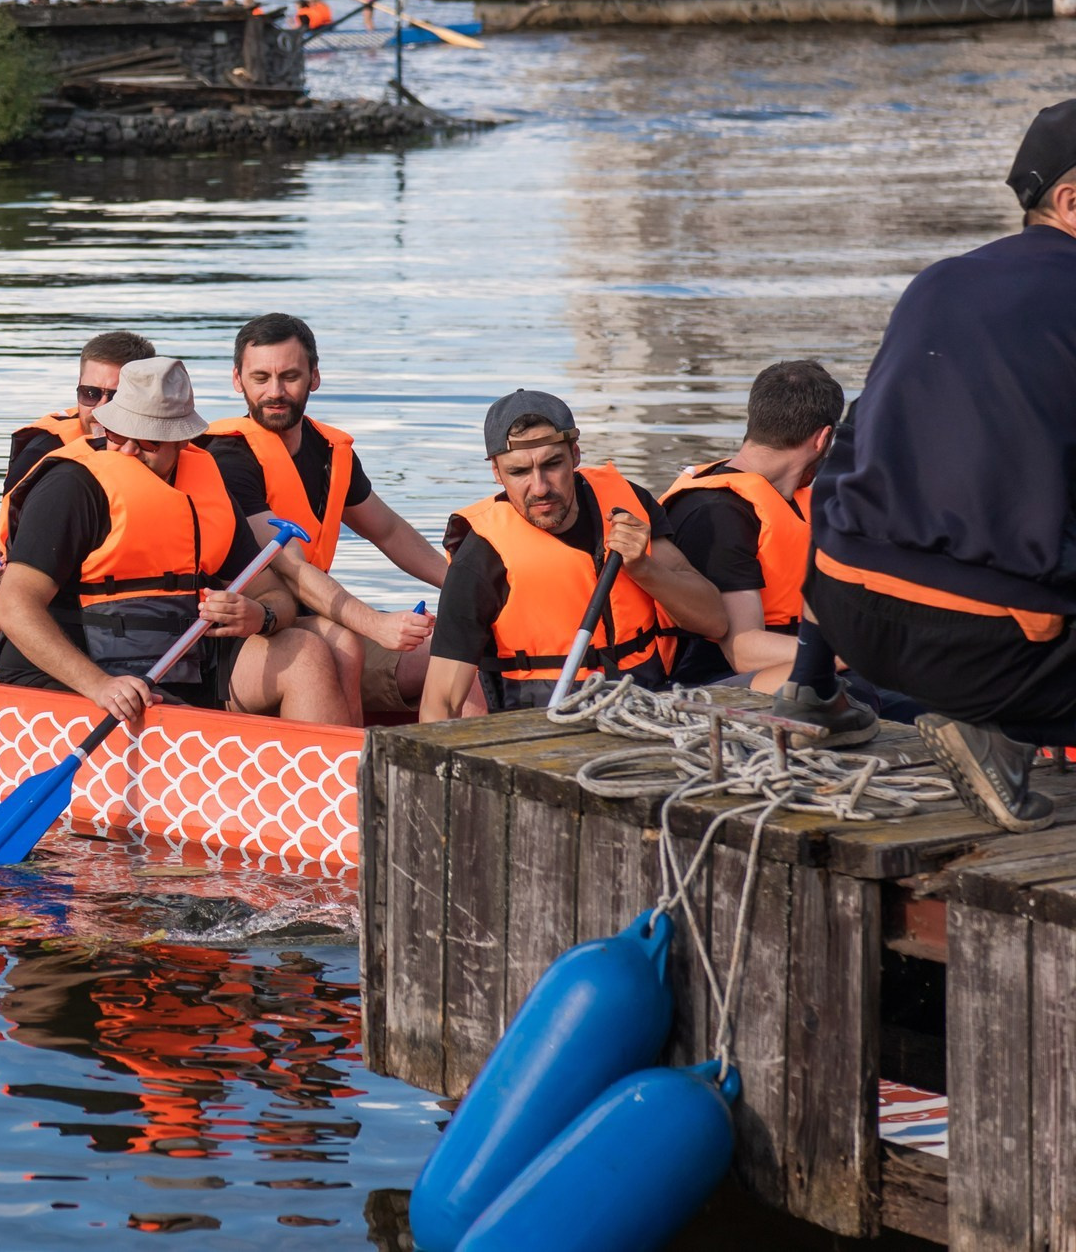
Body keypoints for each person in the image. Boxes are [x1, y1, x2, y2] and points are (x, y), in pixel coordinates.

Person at [803, 102, 1076, 829]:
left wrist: (814, 670)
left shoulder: (938, 282)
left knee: (858, 448)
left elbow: (850, 449)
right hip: (990, 655)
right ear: (1072, 202)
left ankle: (808, 690)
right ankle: (1003, 739)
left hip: (849, 614)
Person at [0, 357, 352, 726]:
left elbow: (274, 594)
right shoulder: (71, 486)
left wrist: (261, 616)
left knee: (307, 654)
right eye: (117, 434)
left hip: (185, 665)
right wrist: (99, 685)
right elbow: (14, 607)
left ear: (180, 439)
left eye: (147, 440)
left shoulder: (206, 486)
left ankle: (334, 779)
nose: (128, 450)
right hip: (81, 674)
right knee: (162, 706)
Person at [421, 391, 728, 719]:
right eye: (519, 472)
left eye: (552, 464)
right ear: (497, 472)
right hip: (539, 731)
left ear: (575, 455)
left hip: (649, 710)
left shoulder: (628, 505)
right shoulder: (480, 557)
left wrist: (644, 568)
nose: (539, 487)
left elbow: (714, 621)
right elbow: (440, 705)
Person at [205, 314, 443, 711]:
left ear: (314, 377)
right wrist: (377, 624)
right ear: (237, 380)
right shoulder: (229, 458)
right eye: (260, 378)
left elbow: (388, 532)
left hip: (318, 615)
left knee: (451, 649)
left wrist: (460, 588)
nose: (275, 392)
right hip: (252, 629)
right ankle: (345, 763)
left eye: (290, 376)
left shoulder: (330, 452)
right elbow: (288, 568)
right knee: (342, 642)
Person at [660, 360, 844, 687]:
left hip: (800, 662)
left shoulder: (789, 499)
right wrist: (856, 653)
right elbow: (742, 651)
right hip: (719, 686)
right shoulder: (716, 513)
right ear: (823, 439)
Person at [4, 329, 159, 500]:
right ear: (78, 385)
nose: (100, 409)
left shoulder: (171, 447)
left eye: (117, 397)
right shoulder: (39, 456)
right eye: (90, 393)